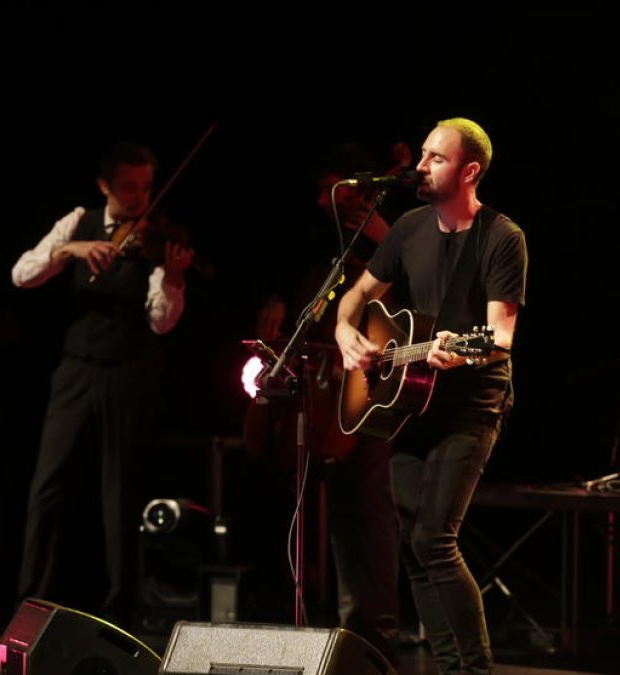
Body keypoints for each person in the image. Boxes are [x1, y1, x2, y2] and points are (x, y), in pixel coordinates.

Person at [334, 118, 528, 674]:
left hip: (471, 405)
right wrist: (347, 334)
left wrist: (461, 352)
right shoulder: (409, 228)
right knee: (414, 545)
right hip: (410, 401)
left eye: (435, 158)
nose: (420, 166)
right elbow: (357, 296)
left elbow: (500, 336)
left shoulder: (501, 237)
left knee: (435, 539)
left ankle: (473, 669)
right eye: (422, 155)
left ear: (469, 171)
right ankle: (449, 667)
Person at [11, 141, 194, 622]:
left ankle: (121, 613)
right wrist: (68, 250)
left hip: (130, 373)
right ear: (105, 186)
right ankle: (31, 607)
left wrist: (172, 279)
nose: (139, 198)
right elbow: (22, 275)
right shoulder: (78, 222)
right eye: (129, 188)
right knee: (47, 488)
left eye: (146, 187)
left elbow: (162, 322)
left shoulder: (157, 238)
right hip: (77, 370)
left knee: (122, 494)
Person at [248, 141, 404, 661]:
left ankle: (376, 631)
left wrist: (382, 233)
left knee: (370, 506)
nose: (322, 201)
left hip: (382, 384)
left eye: (329, 189)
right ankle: (349, 624)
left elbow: (414, 290)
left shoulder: (393, 233)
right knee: (344, 505)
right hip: (337, 383)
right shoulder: (335, 244)